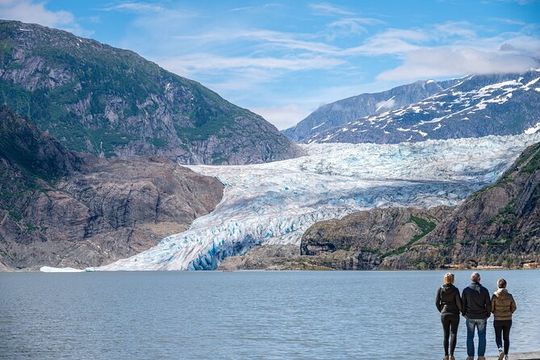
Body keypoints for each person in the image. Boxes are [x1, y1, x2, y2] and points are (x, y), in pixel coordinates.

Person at [462, 272, 491, 360]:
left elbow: (463, 304)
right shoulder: (484, 290)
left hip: (470, 316)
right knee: (482, 336)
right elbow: (488, 304)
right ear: (479, 279)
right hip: (482, 316)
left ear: (471, 279)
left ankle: (470, 356)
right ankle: (481, 356)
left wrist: (464, 313)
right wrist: (488, 314)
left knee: (470, 336)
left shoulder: (466, 290)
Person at [435, 272, 462, 360]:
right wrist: (462, 311)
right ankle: (452, 355)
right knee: (453, 334)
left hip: (444, 314)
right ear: (453, 280)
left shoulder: (440, 289)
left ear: (445, 279)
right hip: (454, 313)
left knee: (446, 335)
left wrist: (441, 311)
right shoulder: (455, 289)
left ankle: (446, 355)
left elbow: (436, 303)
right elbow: (458, 303)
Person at [491, 278, 517, 360]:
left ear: (498, 285)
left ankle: (500, 350)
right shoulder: (509, 296)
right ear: (505, 285)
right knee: (506, 337)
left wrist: (494, 313)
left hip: (497, 319)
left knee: (498, 337)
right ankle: (506, 355)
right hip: (508, 319)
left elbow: (491, 308)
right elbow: (514, 307)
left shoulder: (494, 296)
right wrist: (510, 313)